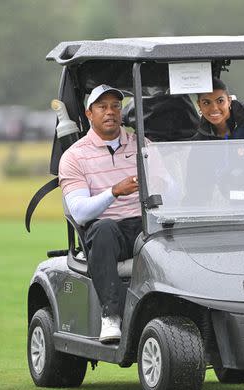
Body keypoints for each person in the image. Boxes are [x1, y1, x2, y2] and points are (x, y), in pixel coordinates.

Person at [58, 84, 141, 344]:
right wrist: (114, 192)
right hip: (107, 233)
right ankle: (111, 316)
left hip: (143, 226)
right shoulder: (74, 156)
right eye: (102, 107)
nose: (110, 112)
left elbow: (170, 187)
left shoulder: (142, 145)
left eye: (116, 106)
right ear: (89, 113)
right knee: (103, 228)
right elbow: (80, 213)